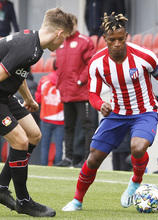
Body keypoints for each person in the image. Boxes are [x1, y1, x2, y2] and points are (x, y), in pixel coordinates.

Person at [61, 12, 158, 212]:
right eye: (112, 40)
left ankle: (136, 181)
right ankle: (77, 201)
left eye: (121, 39)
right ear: (104, 39)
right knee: (93, 158)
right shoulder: (96, 63)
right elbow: (93, 94)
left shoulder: (144, 56)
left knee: (137, 147)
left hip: (145, 112)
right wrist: (99, 105)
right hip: (116, 114)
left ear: (126, 36)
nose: (117, 44)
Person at [0, 7, 73, 217]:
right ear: (59, 33)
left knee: (34, 134)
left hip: (1, 94)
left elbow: (16, 72)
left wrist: (28, 98)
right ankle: (23, 201)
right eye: (64, 38)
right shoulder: (27, 47)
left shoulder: (34, 44)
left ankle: (1, 188)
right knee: (20, 141)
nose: (62, 44)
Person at [55, 14, 96, 168]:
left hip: (81, 92)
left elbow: (90, 64)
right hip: (66, 93)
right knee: (68, 126)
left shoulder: (85, 42)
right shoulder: (60, 43)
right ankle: (69, 158)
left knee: (87, 126)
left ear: (76, 25)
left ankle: (88, 158)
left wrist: (80, 80)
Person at [35, 63, 65, 166]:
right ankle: (58, 166)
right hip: (61, 119)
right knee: (59, 145)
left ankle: (43, 166)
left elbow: (38, 98)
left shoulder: (44, 80)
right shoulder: (65, 80)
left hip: (46, 118)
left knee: (44, 145)